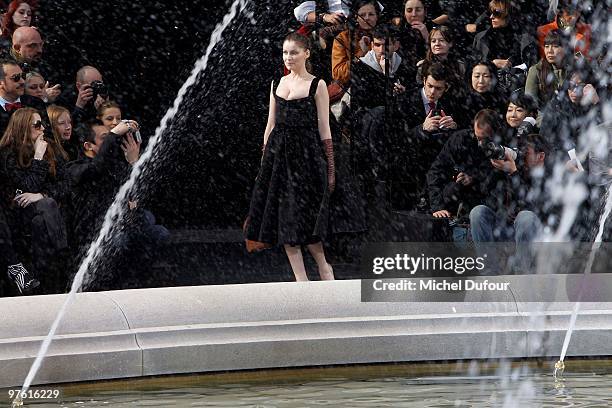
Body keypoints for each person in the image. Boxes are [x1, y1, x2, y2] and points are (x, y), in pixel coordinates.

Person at [245, 32, 336, 282]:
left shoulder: (317, 85)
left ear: (306, 53)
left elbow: (324, 128)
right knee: (284, 218)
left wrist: (330, 167)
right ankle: (301, 280)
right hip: (278, 157)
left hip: (306, 157)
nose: (288, 57)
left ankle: (324, 267)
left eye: (294, 52)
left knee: (304, 218)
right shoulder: (277, 83)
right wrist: (265, 161)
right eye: (285, 52)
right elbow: (270, 124)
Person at [67, 120, 168, 290]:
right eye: (105, 139)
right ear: (88, 146)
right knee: (119, 240)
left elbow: (139, 195)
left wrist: (134, 163)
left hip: (124, 223)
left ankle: (138, 283)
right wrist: (113, 135)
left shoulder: (114, 167)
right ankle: (108, 286)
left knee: (158, 232)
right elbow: (96, 169)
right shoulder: (75, 168)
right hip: (93, 231)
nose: (111, 143)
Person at [0, 107, 69, 291]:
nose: (42, 129)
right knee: (46, 207)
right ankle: (63, 252)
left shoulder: (50, 148)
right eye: (37, 125)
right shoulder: (7, 155)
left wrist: (41, 195)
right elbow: (27, 186)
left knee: (44, 212)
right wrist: (38, 157)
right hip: (17, 214)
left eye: (43, 124)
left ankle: (42, 282)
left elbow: (66, 184)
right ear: (22, 127)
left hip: (44, 214)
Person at [470, 133, 550, 274]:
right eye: (520, 151)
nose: (521, 156)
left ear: (541, 156)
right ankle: (489, 272)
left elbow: (533, 207)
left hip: (534, 232)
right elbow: (485, 194)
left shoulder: (550, 176)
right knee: (478, 212)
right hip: (505, 228)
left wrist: (514, 173)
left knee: (526, 217)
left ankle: (520, 275)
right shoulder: (517, 169)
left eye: (526, 152)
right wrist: (496, 170)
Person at [427, 109, 496, 220]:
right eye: (477, 137)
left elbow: (497, 175)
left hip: (486, 200)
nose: (480, 143)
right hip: (455, 197)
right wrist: (437, 207)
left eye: (485, 139)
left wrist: (474, 177)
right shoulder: (460, 139)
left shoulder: (502, 145)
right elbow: (436, 171)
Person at [331, 0, 379, 87]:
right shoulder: (343, 38)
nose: (367, 18)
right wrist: (361, 54)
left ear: (377, 17)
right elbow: (337, 74)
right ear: (356, 17)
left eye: (371, 14)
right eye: (362, 15)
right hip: (354, 88)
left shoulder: (386, 35)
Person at [525, 30, 571, 109]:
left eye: (555, 46)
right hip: (545, 115)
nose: (549, 51)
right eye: (546, 46)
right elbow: (530, 103)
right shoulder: (536, 70)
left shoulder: (575, 68)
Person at [0, 59, 48, 134]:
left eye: (23, 76)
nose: (22, 81)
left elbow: (47, 134)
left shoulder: (35, 103)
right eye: (16, 78)